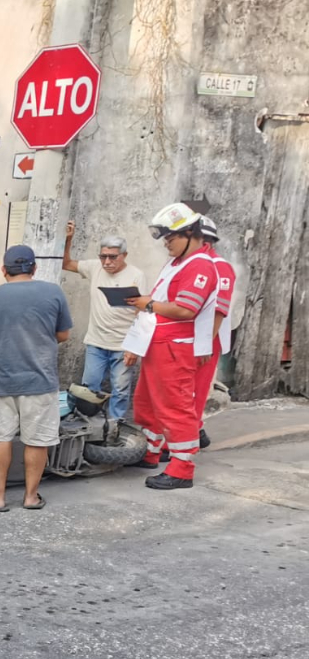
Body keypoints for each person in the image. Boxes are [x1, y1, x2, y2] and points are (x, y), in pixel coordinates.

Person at [0, 244, 73, 512]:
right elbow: (63, 335)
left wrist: (0, 344)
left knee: (0, 437)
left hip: (2, 382)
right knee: (37, 440)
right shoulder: (53, 293)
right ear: (34, 268)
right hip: (41, 381)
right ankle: (31, 497)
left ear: (4, 270)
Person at [121, 203, 218, 490]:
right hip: (158, 343)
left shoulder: (200, 265)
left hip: (176, 347)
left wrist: (148, 303)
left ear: (190, 233)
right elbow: (162, 301)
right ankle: (151, 453)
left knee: (176, 408)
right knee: (148, 404)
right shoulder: (177, 263)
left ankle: (181, 468)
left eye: (170, 239)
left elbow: (187, 309)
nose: (167, 245)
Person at [62, 223, 145, 433]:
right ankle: (88, 428)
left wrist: (134, 347)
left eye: (113, 257)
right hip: (96, 344)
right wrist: (69, 239)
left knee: (120, 390)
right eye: (103, 256)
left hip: (123, 345)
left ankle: (114, 429)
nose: (107, 262)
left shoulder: (136, 275)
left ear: (124, 255)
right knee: (89, 389)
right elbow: (66, 263)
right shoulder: (93, 267)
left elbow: (142, 313)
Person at [194, 215, 236, 449]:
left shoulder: (220, 267)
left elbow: (220, 309)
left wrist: (206, 344)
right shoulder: (190, 264)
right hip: (190, 337)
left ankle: (186, 442)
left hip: (207, 338)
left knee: (196, 391)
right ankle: (196, 431)